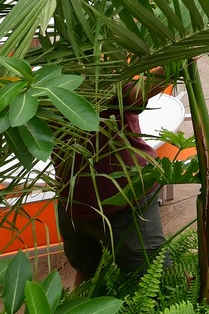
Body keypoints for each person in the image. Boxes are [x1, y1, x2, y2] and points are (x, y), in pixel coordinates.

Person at [57, 76, 166, 279]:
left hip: (73, 198)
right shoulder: (100, 72)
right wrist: (175, 61)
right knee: (154, 281)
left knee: (90, 276)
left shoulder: (45, 79)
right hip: (123, 201)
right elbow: (133, 94)